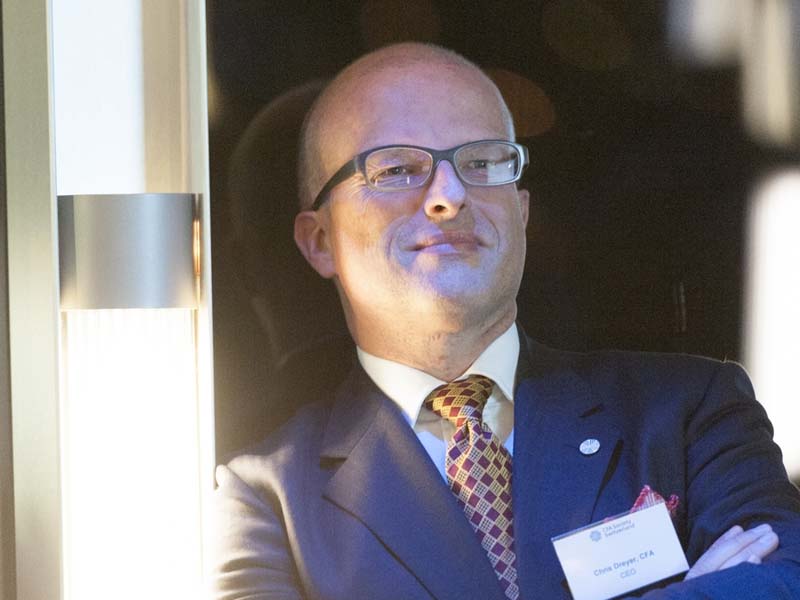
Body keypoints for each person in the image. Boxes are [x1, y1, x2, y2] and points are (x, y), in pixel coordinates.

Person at [212, 42, 800, 599]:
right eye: (395, 170)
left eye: (481, 162)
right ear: (320, 241)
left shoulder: (691, 413)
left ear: (521, 212)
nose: (449, 195)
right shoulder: (266, 500)